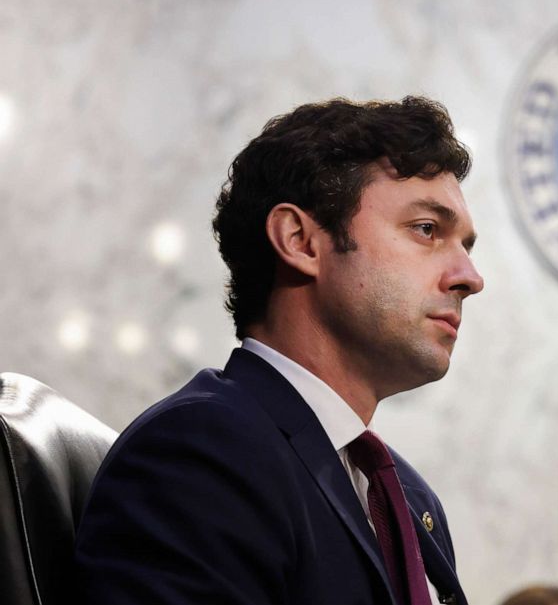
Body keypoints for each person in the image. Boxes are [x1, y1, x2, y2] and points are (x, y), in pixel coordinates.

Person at [73, 96, 484, 605]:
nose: (470, 277)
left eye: (467, 246)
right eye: (427, 230)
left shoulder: (410, 497)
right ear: (300, 241)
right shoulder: (201, 452)